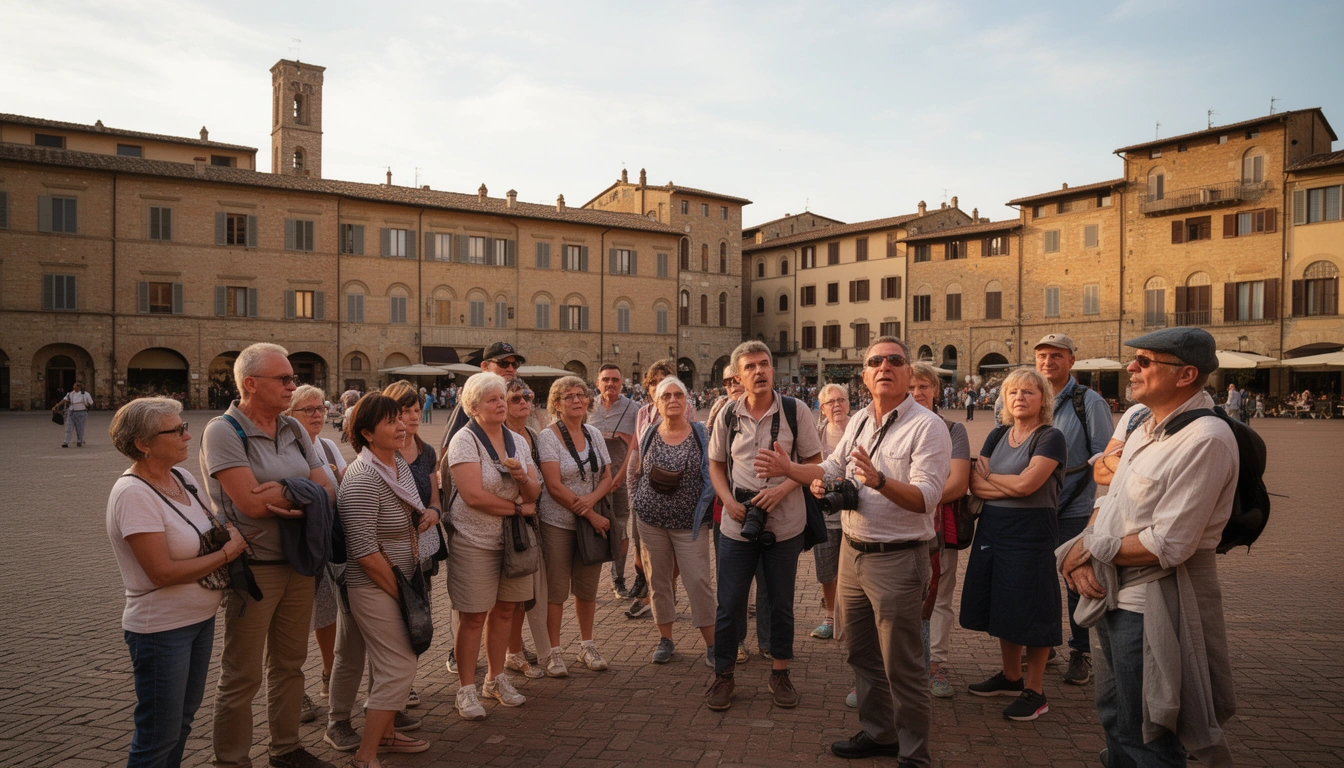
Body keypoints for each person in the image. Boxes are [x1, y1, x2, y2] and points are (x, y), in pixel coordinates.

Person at [756, 338, 951, 762]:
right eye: (875, 361)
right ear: (863, 375)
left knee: (902, 663)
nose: (884, 366)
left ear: (908, 373)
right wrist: (790, 468)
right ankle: (880, 733)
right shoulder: (860, 420)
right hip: (853, 552)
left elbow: (927, 498)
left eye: (894, 361)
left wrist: (879, 481)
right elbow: (830, 469)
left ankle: (914, 754)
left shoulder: (927, 426)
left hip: (899, 557)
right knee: (859, 652)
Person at [1059, 328, 1238, 767]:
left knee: (1147, 731)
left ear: (1186, 375)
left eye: (1144, 361)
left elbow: (1168, 544)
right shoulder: (1142, 426)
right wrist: (1082, 555)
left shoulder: (1206, 439)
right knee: (1113, 715)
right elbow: (1108, 499)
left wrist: (1087, 550)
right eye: (1134, 359)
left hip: (1150, 603)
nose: (1131, 368)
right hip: (1108, 592)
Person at [198, 343, 335, 768]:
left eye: (293, 378)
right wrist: (307, 495)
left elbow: (329, 491)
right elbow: (252, 504)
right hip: (254, 569)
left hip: (299, 564)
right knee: (242, 675)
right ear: (251, 384)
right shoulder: (223, 431)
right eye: (284, 379)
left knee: (291, 664)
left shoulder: (292, 428)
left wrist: (291, 494)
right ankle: (233, 760)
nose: (292, 386)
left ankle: (286, 748)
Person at [107, 398, 248, 768]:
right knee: (158, 735)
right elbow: (161, 573)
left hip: (198, 621)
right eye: (177, 430)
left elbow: (213, 523)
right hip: (161, 629)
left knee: (181, 723)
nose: (188, 435)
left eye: (184, 425)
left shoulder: (181, 478)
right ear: (144, 443)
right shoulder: (133, 494)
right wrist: (227, 555)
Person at [705, 340, 823, 711]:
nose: (759, 371)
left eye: (764, 364)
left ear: (772, 370)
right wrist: (727, 501)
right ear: (738, 376)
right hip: (738, 522)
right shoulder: (727, 412)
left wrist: (783, 487)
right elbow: (716, 465)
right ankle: (723, 676)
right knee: (729, 604)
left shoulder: (795, 410)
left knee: (782, 604)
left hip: (786, 521)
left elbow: (816, 464)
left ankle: (780, 673)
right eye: (751, 367)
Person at [961, 368, 1067, 722]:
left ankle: (1035, 692)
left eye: (1029, 392)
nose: (1020, 397)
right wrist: (1013, 484)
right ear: (1004, 400)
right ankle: (1010, 677)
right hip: (994, 529)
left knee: (1033, 605)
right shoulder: (997, 434)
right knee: (1003, 602)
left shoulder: (1050, 437)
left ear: (1043, 399)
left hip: (1032, 531)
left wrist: (1001, 484)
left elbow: (1028, 486)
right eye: (1013, 392)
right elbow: (976, 485)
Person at [336, 394, 435, 765]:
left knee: (390, 663)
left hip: (401, 578)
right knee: (399, 667)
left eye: (402, 418)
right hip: (374, 584)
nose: (402, 426)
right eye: (391, 421)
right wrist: (402, 595)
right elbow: (362, 550)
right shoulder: (362, 479)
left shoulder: (396, 463)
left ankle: (389, 734)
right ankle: (365, 755)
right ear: (366, 433)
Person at [445, 372, 542, 719]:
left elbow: (535, 492)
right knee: (473, 617)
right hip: (475, 540)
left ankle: (495, 679)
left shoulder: (518, 441)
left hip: (512, 542)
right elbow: (473, 496)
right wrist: (517, 507)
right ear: (472, 407)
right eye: (492, 400)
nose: (501, 404)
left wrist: (522, 479)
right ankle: (466, 689)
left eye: (502, 398)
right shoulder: (464, 440)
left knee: (505, 611)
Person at [1033, 333, 1114, 685]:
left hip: (1073, 507)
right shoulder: (1028, 394)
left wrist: (1100, 509)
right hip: (1034, 506)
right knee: (1037, 579)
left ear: (1071, 360)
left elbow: (1104, 458)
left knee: (1073, 579)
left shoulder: (1089, 401)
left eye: (1055, 356)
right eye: (1041, 356)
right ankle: (1043, 645)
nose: (1047, 362)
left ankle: (1081, 652)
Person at [628, 376, 716, 664]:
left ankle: (712, 644)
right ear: (657, 402)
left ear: (687, 400)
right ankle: (665, 639)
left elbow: (714, 473)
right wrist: (636, 504)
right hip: (650, 522)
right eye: (666, 396)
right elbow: (636, 471)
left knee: (698, 581)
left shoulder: (701, 433)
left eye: (679, 394)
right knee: (658, 581)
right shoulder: (650, 432)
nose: (673, 400)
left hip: (690, 524)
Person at [537, 375, 614, 674]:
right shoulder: (548, 436)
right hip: (557, 522)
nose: (577, 400)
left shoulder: (593, 433)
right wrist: (590, 514)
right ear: (556, 404)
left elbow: (607, 476)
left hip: (588, 519)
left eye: (581, 395)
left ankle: (587, 645)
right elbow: (554, 486)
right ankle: (554, 652)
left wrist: (591, 502)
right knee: (556, 590)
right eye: (568, 396)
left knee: (587, 588)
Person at [908, 363, 971, 700]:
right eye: (912, 387)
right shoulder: (891, 426)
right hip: (897, 530)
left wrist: (914, 501)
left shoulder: (953, 429)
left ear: (935, 391)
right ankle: (896, 668)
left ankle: (936, 665)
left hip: (937, 528)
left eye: (924, 387)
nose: (917, 393)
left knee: (940, 598)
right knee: (893, 600)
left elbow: (959, 483)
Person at [283, 386, 345, 725]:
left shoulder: (328, 445)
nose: (318, 415)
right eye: (308, 410)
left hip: (323, 542)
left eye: (320, 408)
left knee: (326, 612)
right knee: (291, 623)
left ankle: (328, 672)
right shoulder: (286, 448)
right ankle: (294, 690)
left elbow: (341, 486)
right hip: (295, 545)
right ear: (290, 415)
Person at [381, 381, 443, 707]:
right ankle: (393, 686)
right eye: (406, 410)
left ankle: (408, 681)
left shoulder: (426, 451)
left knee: (417, 614)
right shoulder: (383, 450)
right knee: (391, 618)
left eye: (417, 409)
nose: (414, 415)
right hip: (389, 551)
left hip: (422, 549)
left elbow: (435, 498)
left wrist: (433, 512)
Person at [502, 379, 550, 680]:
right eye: (516, 398)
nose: (524, 402)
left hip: (534, 522)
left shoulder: (532, 435)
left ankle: (516, 649)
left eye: (528, 396)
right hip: (510, 524)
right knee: (510, 595)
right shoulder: (499, 437)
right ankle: (511, 652)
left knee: (526, 591)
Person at [590, 364, 639, 598]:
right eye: (606, 379)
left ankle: (618, 578)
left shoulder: (633, 409)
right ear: (597, 382)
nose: (610, 384)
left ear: (622, 383)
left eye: (615, 380)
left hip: (620, 480)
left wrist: (619, 477)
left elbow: (633, 446)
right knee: (589, 529)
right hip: (592, 481)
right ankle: (586, 580)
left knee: (620, 530)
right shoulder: (587, 406)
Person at [811, 383, 851, 641]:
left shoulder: (862, 430)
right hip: (825, 513)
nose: (837, 405)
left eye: (841, 400)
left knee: (853, 573)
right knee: (827, 570)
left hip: (853, 515)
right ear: (822, 408)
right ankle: (830, 617)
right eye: (831, 402)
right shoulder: (816, 435)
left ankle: (849, 620)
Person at [439, 342, 525, 452]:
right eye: (503, 363)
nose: (510, 369)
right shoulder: (475, 400)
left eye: (515, 364)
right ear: (485, 366)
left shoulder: (519, 396)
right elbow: (448, 446)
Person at [56, 380, 94, 447]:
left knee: (80, 428)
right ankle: (66, 442)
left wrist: (87, 405)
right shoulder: (70, 394)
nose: (75, 389)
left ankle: (79, 441)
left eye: (77, 388)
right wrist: (57, 405)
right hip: (71, 412)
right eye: (74, 388)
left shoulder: (85, 394)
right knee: (68, 427)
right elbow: (64, 400)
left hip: (81, 412)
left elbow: (91, 403)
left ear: (80, 388)